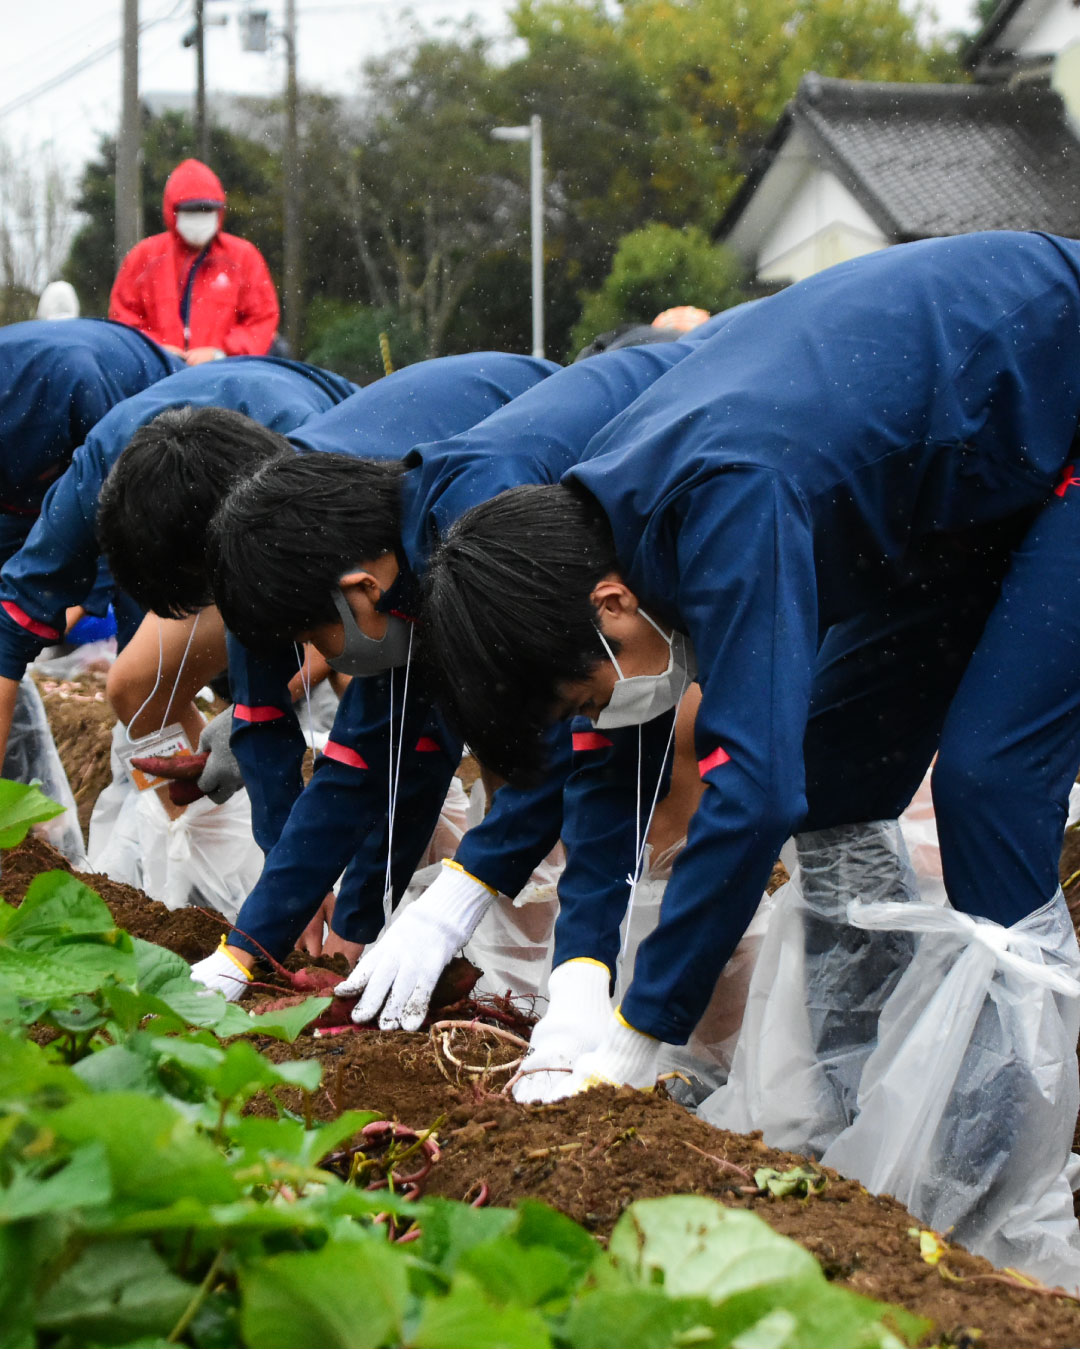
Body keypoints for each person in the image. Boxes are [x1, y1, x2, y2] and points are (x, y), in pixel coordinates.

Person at [418, 230, 1080, 1282]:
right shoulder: (620, 514)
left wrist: (642, 1036)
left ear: (608, 606)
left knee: (990, 780)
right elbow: (713, 764)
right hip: (961, 486)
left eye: (596, 690)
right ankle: (862, 1096)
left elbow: (750, 786)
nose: (617, 708)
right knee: (839, 776)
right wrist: (584, 968)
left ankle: (1005, 1183)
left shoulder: (724, 489)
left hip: (1058, 417)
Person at [194, 330, 728, 1001]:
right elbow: (364, 763)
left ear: (359, 590)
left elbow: (576, 742)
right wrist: (245, 949)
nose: (330, 660)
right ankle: (618, 967)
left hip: (726, 459)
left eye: (316, 635)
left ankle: (671, 991)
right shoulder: (410, 562)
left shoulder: (480, 533)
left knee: (657, 736)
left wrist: (458, 895)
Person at [0, 353, 356, 767]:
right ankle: (209, 826)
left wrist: (256, 714)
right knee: (135, 687)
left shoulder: (304, 459)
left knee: (361, 667)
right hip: (219, 495)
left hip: (324, 520)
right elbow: (11, 628)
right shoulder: (93, 482)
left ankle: (403, 806)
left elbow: (347, 601)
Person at [109, 159, 279, 365]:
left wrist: (220, 353)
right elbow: (123, 319)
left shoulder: (243, 257)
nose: (199, 217)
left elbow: (262, 319)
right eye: (191, 210)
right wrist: (155, 349)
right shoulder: (144, 257)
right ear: (173, 211)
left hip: (225, 379)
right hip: (156, 378)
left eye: (207, 210)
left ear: (219, 211)